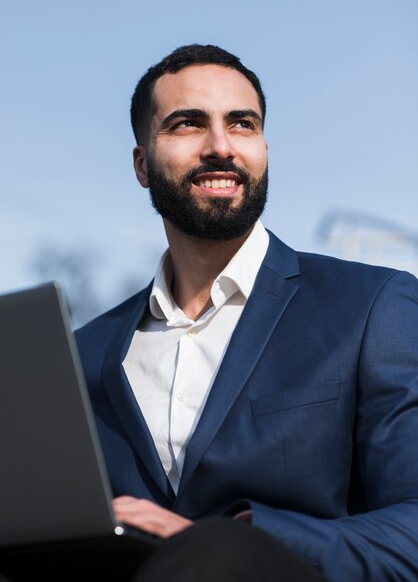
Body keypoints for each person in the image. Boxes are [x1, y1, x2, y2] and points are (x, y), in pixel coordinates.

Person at [75, 44, 418, 581]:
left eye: (242, 124)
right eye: (188, 124)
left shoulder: (374, 307)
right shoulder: (84, 354)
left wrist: (237, 542)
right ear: (142, 164)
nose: (220, 147)